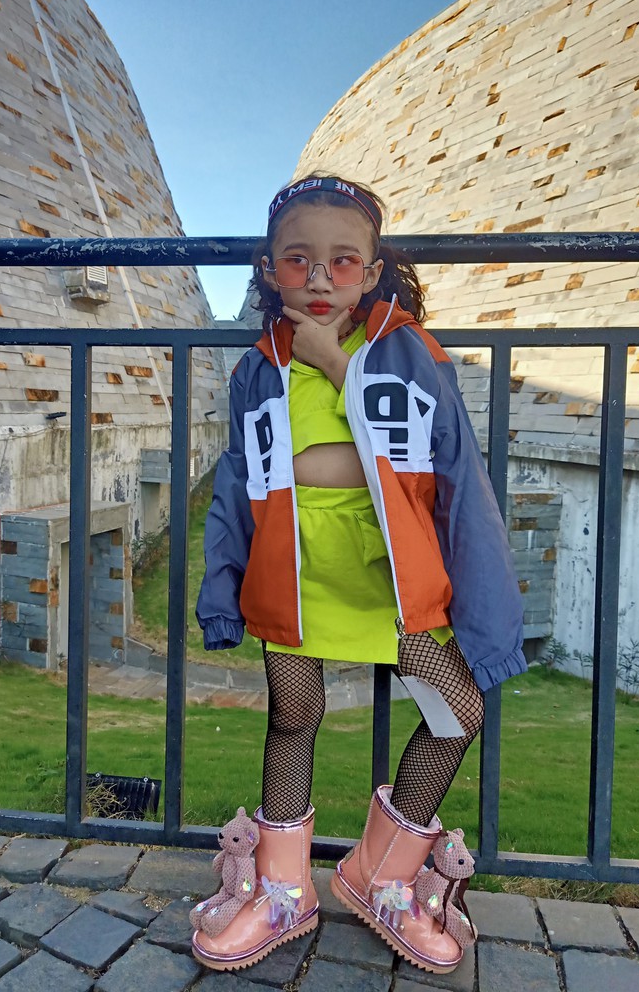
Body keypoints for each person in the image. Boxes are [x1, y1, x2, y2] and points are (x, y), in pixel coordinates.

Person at [194, 174, 527, 974]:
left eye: (343, 261)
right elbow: (238, 482)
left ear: (373, 272)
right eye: (298, 259)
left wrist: (335, 363)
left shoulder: (411, 353)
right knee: (293, 714)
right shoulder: (256, 370)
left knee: (456, 713)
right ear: (269, 269)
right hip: (295, 571)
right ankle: (283, 890)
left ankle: (381, 877)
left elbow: (443, 464)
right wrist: (222, 586)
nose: (319, 277)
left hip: (392, 577)